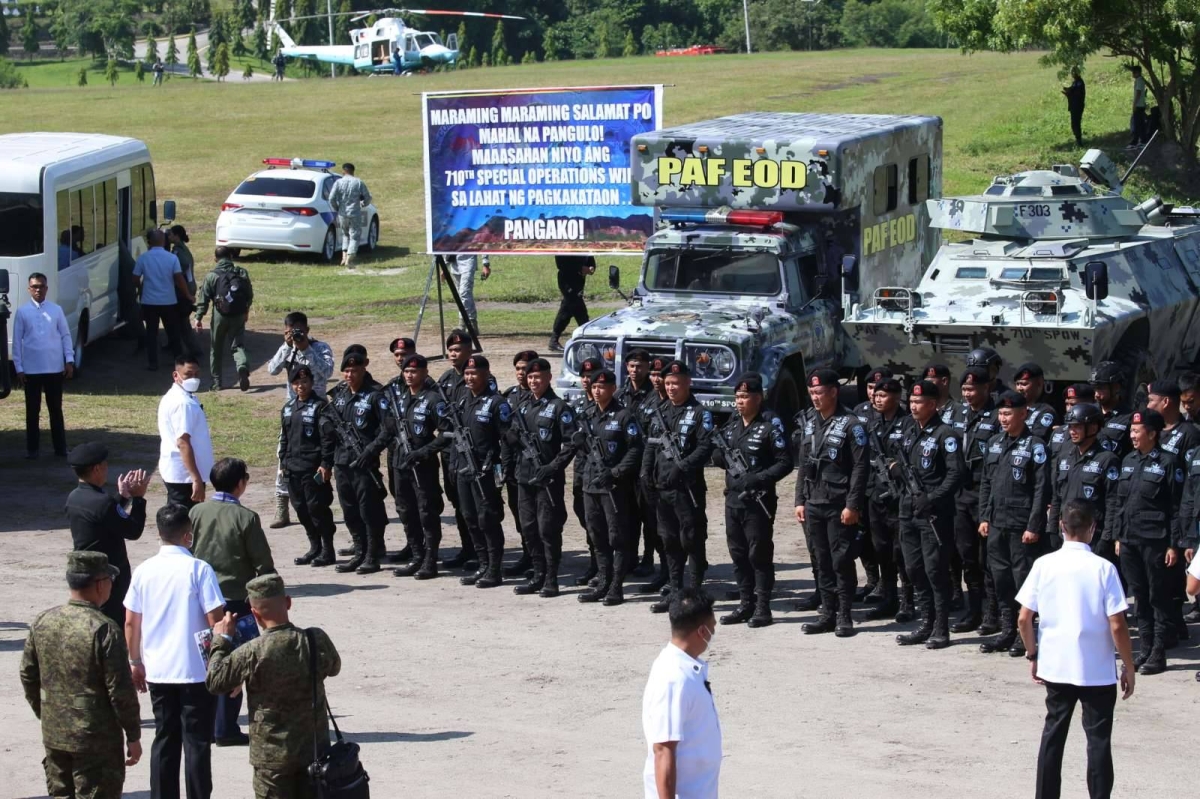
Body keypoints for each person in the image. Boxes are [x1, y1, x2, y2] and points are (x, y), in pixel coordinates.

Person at [1016, 499, 1135, 799]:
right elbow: (1118, 624)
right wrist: (1129, 666)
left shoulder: (1044, 565)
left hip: (1056, 666)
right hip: (1095, 670)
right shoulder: (1104, 569)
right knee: (1098, 742)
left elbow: (1023, 618)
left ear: (1061, 527)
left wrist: (1033, 654)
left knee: (1053, 737)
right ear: (1093, 529)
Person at [205, 574, 342, 799]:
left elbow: (215, 681)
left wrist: (222, 640)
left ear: (255, 614)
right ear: (288, 602)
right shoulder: (314, 638)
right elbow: (334, 667)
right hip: (314, 750)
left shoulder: (251, 651)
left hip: (271, 759)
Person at [20, 551, 142, 799]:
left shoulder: (43, 621)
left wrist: (47, 712)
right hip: (95, 741)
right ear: (100, 584)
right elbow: (120, 690)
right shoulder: (104, 628)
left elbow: (28, 675)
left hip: (55, 735)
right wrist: (133, 735)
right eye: (109, 579)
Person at [124, 504, 226, 799]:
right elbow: (216, 620)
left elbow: (131, 621)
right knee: (196, 742)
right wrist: (222, 663)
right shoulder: (198, 569)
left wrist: (135, 661)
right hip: (196, 671)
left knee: (165, 738)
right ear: (188, 535)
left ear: (159, 533)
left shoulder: (144, 571)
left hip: (158, 670)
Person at [189, 457, 276, 747]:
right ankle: (225, 728)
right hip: (234, 603)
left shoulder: (197, 511)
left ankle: (206, 722)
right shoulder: (246, 518)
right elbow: (263, 563)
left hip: (201, 600)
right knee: (234, 664)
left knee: (206, 659)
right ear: (240, 484)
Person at [711, 372, 792, 627]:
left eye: (745, 396)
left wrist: (759, 478)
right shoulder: (733, 424)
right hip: (733, 499)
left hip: (758, 502)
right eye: (737, 397)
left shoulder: (770, 426)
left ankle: (762, 607)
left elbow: (785, 462)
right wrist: (718, 456)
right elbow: (719, 452)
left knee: (759, 554)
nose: (740, 401)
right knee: (738, 554)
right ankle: (745, 604)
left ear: (759, 398)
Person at [793, 368, 868, 637]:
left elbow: (860, 468)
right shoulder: (810, 422)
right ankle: (826, 612)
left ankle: (845, 615)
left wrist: (853, 504)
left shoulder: (851, 424)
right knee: (821, 559)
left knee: (841, 560)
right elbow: (803, 464)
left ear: (834, 392)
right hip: (813, 501)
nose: (815, 397)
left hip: (839, 503)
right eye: (811, 392)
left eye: (819, 392)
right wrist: (799, 498)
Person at [978, 390, 1052, 656]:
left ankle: (1026, 634)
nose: (1003, 418)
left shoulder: (1035, 446)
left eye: (1009, 413)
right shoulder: (995, 443)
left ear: (1024, 413)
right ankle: (1008, 630)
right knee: (1001, 579)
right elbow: (987, 483)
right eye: (1001, 413)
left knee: (1024, 581)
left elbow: (1042, 489)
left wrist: (1034, 525)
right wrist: (984, 516)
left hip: (1022, 526)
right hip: (997, 523)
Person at [895, 380, 965, 649]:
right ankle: (926, 623)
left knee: (935, 570)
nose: (913, 406)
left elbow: (955, 474)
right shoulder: (911, 430)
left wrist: (932, 498)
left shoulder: (945, 435)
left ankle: (941, 627)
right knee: (913, 568)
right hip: (908, 511)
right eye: (911, 401)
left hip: (934, 515)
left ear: (933, 404)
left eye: (919, 402)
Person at [1114, 409, 1185, 675]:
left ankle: (1158, 652)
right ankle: (1144, 649)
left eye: (1137, 431)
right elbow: (1121, 503)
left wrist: (1173, 544)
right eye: (1131, 431)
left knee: (1158, 597)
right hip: (1130, 539)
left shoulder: (1169, 462)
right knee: (1139, 597)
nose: (1132, 435)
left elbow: (1176, 507)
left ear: (1152, 434)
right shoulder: (1129, 460)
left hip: (1156, 541)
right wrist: (1120, 536)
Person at [643, 361, 717, 614]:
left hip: (688, 489)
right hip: (662, 487)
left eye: (676, 383)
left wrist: (682, 467)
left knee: (692, 540)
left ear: (688, 383)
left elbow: (706, 447)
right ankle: (675, 592)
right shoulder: (660, 411)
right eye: (668, 383)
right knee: (669, 541)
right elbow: (651, 445)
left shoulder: (699, 413)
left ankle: (695, 593)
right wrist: (646, 473)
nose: (671, 387)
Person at [641, 588, 721, 799]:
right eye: (713, 627)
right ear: (702, 632)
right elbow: (663, 750)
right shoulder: (673, 678)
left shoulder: (686, 668)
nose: (714, 632)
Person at [509, 358, 579, 598]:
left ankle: (551, 578)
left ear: (549, 378)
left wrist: (554, 467)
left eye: (538, 377)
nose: (533, 381)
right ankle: (537, 574)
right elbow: (511, 436)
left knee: (547, 529)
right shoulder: (522, 405)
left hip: (547, 480)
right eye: (530, 377)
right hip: (524, 477)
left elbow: (571, 443)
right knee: (528, 528)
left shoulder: (559, 407)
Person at [442, 354, 511, 587]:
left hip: (485, 471)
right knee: (470, 518)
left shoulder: (497, 403)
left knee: (487, 519)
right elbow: (455, 437)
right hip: (463, 470)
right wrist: (452, 463)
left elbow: (507, 439)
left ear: (486, 375)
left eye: (474, 373)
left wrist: (500, 469)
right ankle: (482, 564)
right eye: (467, 374)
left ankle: (494, 568)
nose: (469, 377)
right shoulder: (463, 401)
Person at [576, 367, 644, 605]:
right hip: (590, 486)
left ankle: (616, 586)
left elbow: (636, 449)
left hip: (614, 489)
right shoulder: (587, 415)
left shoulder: (624, 416)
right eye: (594, 386)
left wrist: (616, 473)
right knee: (597, 536)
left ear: (613, 389)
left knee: (617, 538)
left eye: (602, 387)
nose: (597, 391)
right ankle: (603, 581)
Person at [64, 442, 151, 626]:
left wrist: (123, 497)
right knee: (111, 625)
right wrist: (138, 498)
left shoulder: (74, 497)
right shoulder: (102, 502)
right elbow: (133, 530)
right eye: (105, 465)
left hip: (84, 572)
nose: (106, 469)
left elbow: (105, 518)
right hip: (107, 578)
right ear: (96, 468)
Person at [266, 312, 335, 529]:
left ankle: (323, 499)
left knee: (324, 454)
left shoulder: (320, 347)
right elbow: (272, 370)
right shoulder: (287, 348)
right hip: (293, 410)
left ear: (307, 330)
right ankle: (282, 504)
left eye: (298, 331)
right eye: (289, 331)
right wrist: (287, 347)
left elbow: (325, 372)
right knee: (284, 455)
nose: (294, 335)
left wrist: (306, 348)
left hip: (319, 409)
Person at [328, 347, 392, 574]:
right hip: (342, 462)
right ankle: (359, 551)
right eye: (346, 371)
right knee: (349, 510)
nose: (350, 375)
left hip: (364, 465)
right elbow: (329, 426)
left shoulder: (375, 394)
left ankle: (372, 555)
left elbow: (388, 429)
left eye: (354, 370)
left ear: (364, 369)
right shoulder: (340, 396)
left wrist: (371, 451)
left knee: (369, 511)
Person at [949, 367, 998, 634]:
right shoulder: (958, 413)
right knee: (967, 556)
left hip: (984, 494)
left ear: (986, 388)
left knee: (988, 559)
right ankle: (974, 610)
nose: (968, 394)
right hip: (960, 495)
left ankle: (993, 613)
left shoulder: (997, 414)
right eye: (965, 389)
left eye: (973, 389)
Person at [389, 354, 447, 579]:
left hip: (423, 466)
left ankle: (431, 560)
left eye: (414, 371)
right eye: (406, 371)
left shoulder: (433, 400)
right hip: (400, 463)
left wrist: (423, 452)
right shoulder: (400, 399)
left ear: (424, 373)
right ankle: (416, 555)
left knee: (426, 513)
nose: (410, 375)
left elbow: (447, 433)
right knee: (405, 510)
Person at [279, 366, 339, 569]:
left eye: (304, 382)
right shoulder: (288, 408)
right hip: (292, 468)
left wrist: (325, 463)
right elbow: (285, 438)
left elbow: (327, 439)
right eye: (296, 383)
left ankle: (327, 550)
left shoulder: (320, 406)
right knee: (301, 509)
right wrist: (282, 462)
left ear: (311, 383)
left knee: (317, 509)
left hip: (313, 468)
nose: (300, 386)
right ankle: (314, 547)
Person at [12, 272, 74, 459]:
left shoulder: (56, 310)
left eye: (41, 286)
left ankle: (60, 448)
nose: (38, 290)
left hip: (54, 368)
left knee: (55, 409)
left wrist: (69, 359)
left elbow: (65, 335)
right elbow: (16, 341)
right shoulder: (22, 312)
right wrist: (19, 367)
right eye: (34, 287)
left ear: (47, 288)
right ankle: (32, 449)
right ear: (29, 289)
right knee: (32, 410)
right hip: (32, 369)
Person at [1047, 404, 1121, 557]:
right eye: (1070, 427)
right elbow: (1057, 497)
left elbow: (1113, 502)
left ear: (1093, 428)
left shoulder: (1107, 460)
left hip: (1092, 536)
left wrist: (1106, 539)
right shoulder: (1064, 457)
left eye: (1077, 427)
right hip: (1065, 535)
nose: (1072, 431)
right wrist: (1052, 529)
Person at [437, 330, 480, 570]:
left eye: (458, 350)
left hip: (471, 451)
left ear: (469, 351)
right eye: (451, 350)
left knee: (475, 505)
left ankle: (481, 552)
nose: (454, 354)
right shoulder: (444, 380)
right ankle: (467, 548)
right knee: (458, 502)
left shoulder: (478, 375)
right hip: (450, 451)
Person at [617, 349, 660, 578]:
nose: (636, 370)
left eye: (640, 366)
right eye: (632, 366)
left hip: (646, 465)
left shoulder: (655, 395)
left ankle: (649, 558)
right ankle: (630, 557)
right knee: (628, 515)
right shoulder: (620, 394)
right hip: (625, 465)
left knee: (648, 516)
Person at [157, 354, 215, 509]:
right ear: (176, 375)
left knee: (180, 522)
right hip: (185, 477)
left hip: (181, 474)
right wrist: (195, 478)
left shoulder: (180, 397)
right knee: (183, 523)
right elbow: (183, 443)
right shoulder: (183, 404)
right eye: (188, 374)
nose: (193, 379)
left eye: (196, 374)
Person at [193, 247, 253, 392]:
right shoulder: (241, 272)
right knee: (238, 344)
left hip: (220, 314)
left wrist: (198, 317)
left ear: (215, 259)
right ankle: (242, 367)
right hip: (238, 314)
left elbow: (204, 299)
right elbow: (248, 294)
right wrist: (246, 310)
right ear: (231, 257)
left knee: (216, 348)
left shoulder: (212, 276)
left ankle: (217, 382)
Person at [501, 349, 538, 578]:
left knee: (537, 518)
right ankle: (527, 554)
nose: (521, 373)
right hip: (514, 467)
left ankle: (539, 558)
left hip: (534, 468)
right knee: (520, 516)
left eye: (526, 369)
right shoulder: (509, 397)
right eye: (518, 369)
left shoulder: (539, 399)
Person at [134, 228, 192, 371]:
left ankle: (153, 363)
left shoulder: (143, 258)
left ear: (150, 242)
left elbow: (135, 278)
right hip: (168, 301)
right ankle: (179, 362)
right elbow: (179, 279)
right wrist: (188, 295)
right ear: (164, 241)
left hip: (149, 302)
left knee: (151, 333)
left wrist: (141, 288)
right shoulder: (172, 258)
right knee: (173, 333)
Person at [328, 163, 372, 267]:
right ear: (353, 171)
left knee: (345, 234)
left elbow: (331, 198)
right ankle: (349, 257)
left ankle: (343, 257)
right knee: (355, 235)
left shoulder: (338, 182)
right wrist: (363, 204)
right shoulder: (358, 182)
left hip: (342, 213)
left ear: (343, 171)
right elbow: (368, 197)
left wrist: (337, 208)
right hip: (355, 212)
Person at [548, 254, 593, 352]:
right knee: (579, 309)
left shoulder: (585, 246)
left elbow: (591, 260)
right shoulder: (565, 247)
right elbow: (561, 264)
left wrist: (591, 268)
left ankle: (554, 340)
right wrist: (580, 268)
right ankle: (588, 338)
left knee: (566, 310)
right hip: (566, 281)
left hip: (579, 281)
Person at [1090, 361, 1134, 459]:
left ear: (1116, 387)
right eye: (1095, 388)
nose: (1096, 394)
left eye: (1101, 388)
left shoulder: (1130, 417)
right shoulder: (1088, 412)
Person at [446, 253, 491, 334]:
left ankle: (462, 324)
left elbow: (483, 243)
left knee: (464, 293)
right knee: (461, 296)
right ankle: (473, 324)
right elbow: (447, 244)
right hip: (454, 262)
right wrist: (445, 264)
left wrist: (485, 264)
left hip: (469, 261)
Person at [1014, 362, 1059, 441]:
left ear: (1039, 384)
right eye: (1018, 384)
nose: (1020, 388)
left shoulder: (1046, 411)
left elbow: (1035, 439)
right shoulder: (1014, 408)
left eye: (1024, 384)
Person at [1062, 67, 1086, 147]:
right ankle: (1078, 139)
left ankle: (1079, 141)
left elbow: (1076, 94)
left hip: (1077, 106)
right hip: (1073, 106)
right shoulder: (1076, 82)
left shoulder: (1079, 82)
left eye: (1074, 73)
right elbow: (1072, 90)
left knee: (1076, 123)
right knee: (1074, 123)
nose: (1073, 74)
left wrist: (1068, 93)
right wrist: (1067, 90)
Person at [1129, 65, 1148, 148]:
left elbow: (1138, 92)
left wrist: (1134, 104)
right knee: (1140, 123)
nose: (1132, 74)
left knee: (1137, 124)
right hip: (1140, 105)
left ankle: (1135, 141)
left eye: (1134, 72)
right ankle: (1142, 140)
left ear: (1138, 72)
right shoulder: (1139, 80)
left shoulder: (1139, 80)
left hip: (1139, 105)